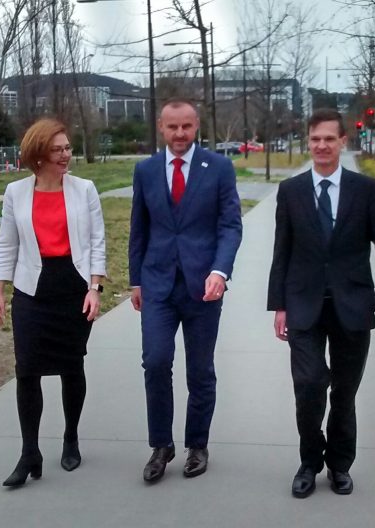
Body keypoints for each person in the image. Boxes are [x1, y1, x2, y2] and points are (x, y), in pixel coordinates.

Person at [267, 108, 375, 498]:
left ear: (343, 142)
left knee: (344, 393)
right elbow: (282, 251)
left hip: (353, 305)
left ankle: (339, 465)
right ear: (307, 143)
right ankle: (309, 461)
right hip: (303, 305)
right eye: (315, 139)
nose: (322, 146)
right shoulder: (291, 192)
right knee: (309, 386)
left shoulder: (366, 189)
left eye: (330, 139)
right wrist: (279, 305)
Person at [128, 97, 242, 483]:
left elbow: (230, 225)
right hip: (158, 283)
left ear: (197, 127)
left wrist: (220, 271)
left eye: (187, 127)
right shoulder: (145, 171)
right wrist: (136, 280)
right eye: (172, 127)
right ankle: (161, 446)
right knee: (156, 362)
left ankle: (197, 443)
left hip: (203, 288)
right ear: (161, 127)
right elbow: (138, 229)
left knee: (200, 370)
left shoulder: (220, 168)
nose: (180, 134)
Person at [0, 118, 106, 488]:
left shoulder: (84, 189)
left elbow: (97, 243)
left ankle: (71, 436)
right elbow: (7, 243)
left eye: (68, 148)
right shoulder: (16, 193)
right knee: (27, 369)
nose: (65, 155)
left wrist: (95, 289)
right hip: (31, 289)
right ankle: (30, 453)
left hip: (73, 287)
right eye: (57, 149)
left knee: (72, 367)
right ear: (37, 154)